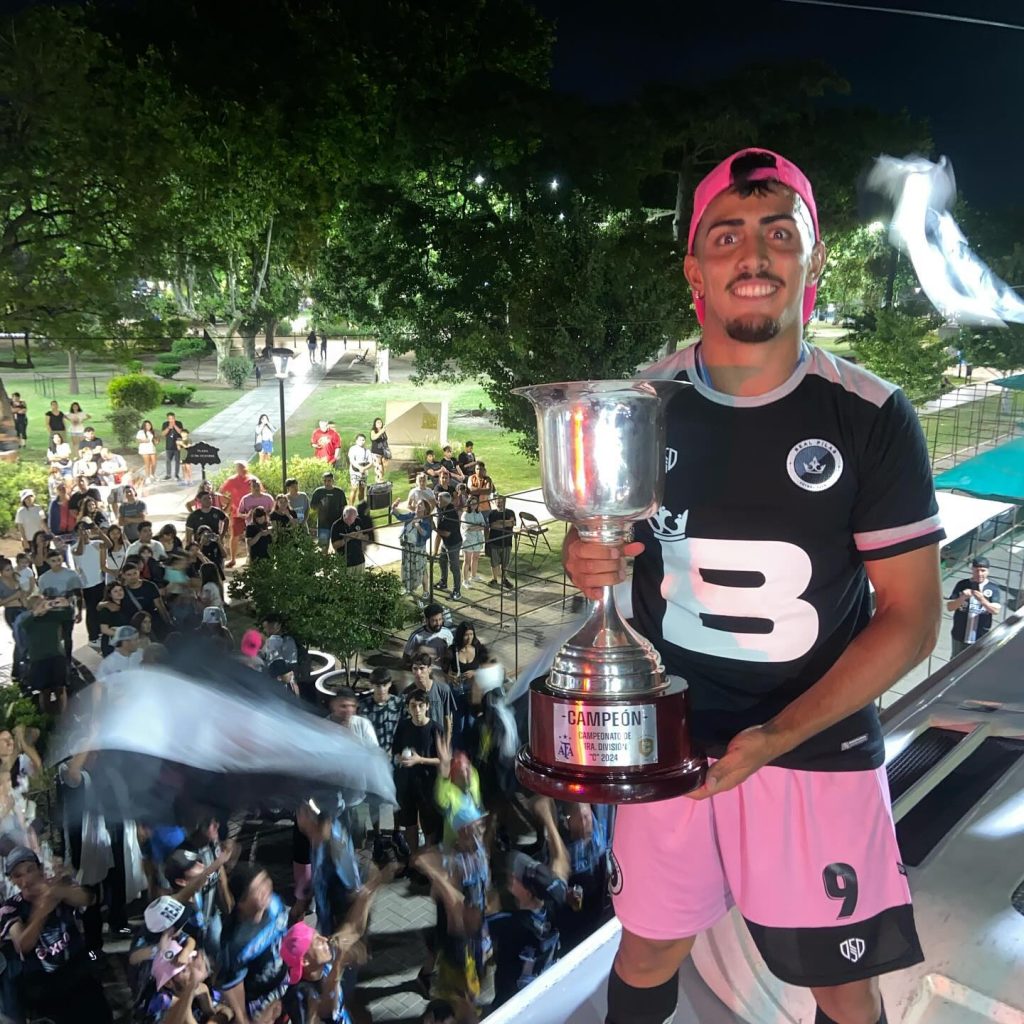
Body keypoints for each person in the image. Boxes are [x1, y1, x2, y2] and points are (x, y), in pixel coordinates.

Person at [561, 148, 945, 1024]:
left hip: (813, 743)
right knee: (649, 946)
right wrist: (585, 557)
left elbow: (912, 618)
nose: (754, 254)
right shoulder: (640, 402)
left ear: (815, 260)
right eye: (727, 235)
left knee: (841, 983)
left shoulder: (872, 414)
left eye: (780, 233)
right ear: (694, 269)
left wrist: (775, 735)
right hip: (668, 739)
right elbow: (603, 547)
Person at [0, 847, 111, 1024]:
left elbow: (89, 899)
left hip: (77, 971)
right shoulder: (11, 907)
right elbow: (22, 944)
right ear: (12, 880)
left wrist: (59, 891)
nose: (26, 879)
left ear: (40, 869)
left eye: (30, 870)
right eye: (18, 875)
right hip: (43, 984)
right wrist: (42, 909)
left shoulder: (58, 889)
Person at [490, 799, 570, 1009]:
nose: (510, 877)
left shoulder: (509, 925)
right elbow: (561, 863)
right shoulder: (555, 900)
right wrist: (548, 820)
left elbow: (467, 923)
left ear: (525, 890)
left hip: (512, 1008)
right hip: (546, 999)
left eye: (513, 876)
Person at [219, 864, 291, 1024]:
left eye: (265, 880)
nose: (266, 889)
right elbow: (232, 984)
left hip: (284, 980)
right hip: (260, 998)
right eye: (257, 889)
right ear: (241, 903)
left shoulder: (275, 904)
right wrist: (243, 1018)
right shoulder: (235, 941)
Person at [392, 690, 444, 856]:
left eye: (421, 705)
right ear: (408, 708)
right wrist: (400, 758)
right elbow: (395, 751)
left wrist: (420, 760)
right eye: (413, 706)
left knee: (429, 825)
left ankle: (427, 860)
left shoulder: (436, 729)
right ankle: (414, 858)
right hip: (406, 783)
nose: (417, 710)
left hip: (428, 784)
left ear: (427, 706)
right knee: (409, 824)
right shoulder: (403, 726)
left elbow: (444, 760)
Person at [946, 555, 1003, 656]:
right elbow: (950, 607)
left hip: (981, 636)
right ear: (972, 570)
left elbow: (995, 611)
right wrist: (962, 598)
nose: (979, 574)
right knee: (956, 660)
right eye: (976, 570)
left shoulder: (993, 588)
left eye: (983, 571)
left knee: (976, 661)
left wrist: (982, 600)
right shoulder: (962, 584)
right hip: (959, 634)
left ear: (988, 571)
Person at [72, 519, 107, 649]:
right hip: (87, 585)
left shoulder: (96, 544)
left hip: (100, 581)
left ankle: (101, 633)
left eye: (85, 529)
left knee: (101, 608)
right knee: (91, 611)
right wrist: (82, 537)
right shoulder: (74, 548)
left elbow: (108, 544)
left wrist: (99, 531)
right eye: (80, 530)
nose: (84, 532)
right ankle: (93, 637)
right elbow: (80, 552)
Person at [409, 653, 457, 746]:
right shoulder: (408, 693)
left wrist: (446, 745)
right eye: (415, 668)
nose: (418, 673)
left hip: (437, 742)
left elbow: (447, 720)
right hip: (416, 743)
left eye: (422, 668)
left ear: (429, 669)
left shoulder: (443, 689)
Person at [357, 667, 403, 756]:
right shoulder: (363, 707)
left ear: (390, 684)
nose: (381, 690)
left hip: (395, 754)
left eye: (384, 685)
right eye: (378, 686)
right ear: (371, 685)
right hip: (370, 755)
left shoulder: (399, 704)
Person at [220, 461, 257, 568]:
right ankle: (233, 559)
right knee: (235, 536)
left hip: (252, 514)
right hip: (237, 513)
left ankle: (251, 557)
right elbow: (220, 493)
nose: (242, 469)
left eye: (244, 467)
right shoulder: (232, 480)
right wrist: (228, 504)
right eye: (240, 467)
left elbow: (260, 492)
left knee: (253, 534)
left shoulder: (253, 479)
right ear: (237, 469)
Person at [394, 497, 433, 597]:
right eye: (417, 504)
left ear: (425, 509)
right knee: (407, 568)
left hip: (418, 548)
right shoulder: (411, 515)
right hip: (407, 546)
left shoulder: (426, 520)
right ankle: (407, 588)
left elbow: (426, 535)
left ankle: (426, 591)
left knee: (421, 569)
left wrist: (418, 527)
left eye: (421, 504)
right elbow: (400, 517)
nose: (418, 506)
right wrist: (394, 508)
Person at [403, 603, 455, 668]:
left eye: (440, 619)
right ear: (427, 620)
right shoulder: (416, 636)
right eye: (434, 620)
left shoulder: (447, 632)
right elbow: (406, 660)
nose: (438, 623)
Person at [434, 492, 463, 600]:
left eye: (439, 499)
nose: (438, 501)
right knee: (442, 561)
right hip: (445, 543)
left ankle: (457, 591)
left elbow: (447, 533)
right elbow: (434, 503)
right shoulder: (443, 508)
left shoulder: (451, 514)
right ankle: (443, 582)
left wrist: (434, 529)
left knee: (454, 567)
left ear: (445, 501)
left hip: (453, 543)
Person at [486, 495, 516, 591]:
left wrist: (500, 522)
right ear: (495, 502)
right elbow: (493, 526)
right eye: (498, 502)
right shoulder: (492, 513)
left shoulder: (510, 512)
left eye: (501, 502)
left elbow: (512, 523)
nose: (500, 504)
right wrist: (506, 523)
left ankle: (504, 579)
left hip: (507, 542)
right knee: (494, 562)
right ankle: (494, 579)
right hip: (494, 542)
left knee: (505, 563)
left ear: (505, 502)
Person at [311, 471, 347, 547]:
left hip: (337, 525)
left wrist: (344, 521)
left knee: (339, 547)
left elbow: (344, 507)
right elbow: (313, 507)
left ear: (333, 481)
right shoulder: (318, 492)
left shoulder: (339, 492)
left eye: (329, 480)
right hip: (323, 525)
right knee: (324, 547)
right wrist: (321, 505)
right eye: (325, 481)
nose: (327, 483)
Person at [330, 506, 367, 570]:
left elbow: (367, 537)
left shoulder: (358, 521)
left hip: (359, 560)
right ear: (344, 515)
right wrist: (346, 539)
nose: (352, 522)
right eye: (349, 519)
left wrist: (360, 536)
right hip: (345, 563)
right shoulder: (336, 525)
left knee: (361, 576)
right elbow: (334, 545)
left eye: (354, 518)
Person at [461, 495, 486, 585]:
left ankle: (473, 576)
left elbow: (483, 525)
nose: (474, 505)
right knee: (467, 560)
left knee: (475, 558)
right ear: (469, 504)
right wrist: (478, 526)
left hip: (478, 539)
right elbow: (468, 528)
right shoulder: (465, 514)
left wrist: (476, 527)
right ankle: (465, 580)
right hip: (468, 540)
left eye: (476, 503)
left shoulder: (479, 513)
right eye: (472, 504)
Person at [347, 433, 372, 505]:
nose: (361, 441)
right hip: (354, 472)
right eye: (360, 440)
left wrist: (364, 468)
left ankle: (361, 506)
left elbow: (371, 462)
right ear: (356, 441)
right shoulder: (353, 449)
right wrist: (359, 468)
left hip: (364, 472)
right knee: (354, 488)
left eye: (363, 440)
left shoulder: (367, 451)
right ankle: (350, 506)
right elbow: (352, 460)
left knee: (362, 490)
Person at [160, 413, 185, 481]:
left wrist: (174, 425)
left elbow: (181, 432)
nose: (171, 420)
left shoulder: (179, 423)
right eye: (169, 419)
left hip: (178, 445)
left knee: (177, 461)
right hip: (169, 445)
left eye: (172, 418)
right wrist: (169, 427)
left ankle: (176, 475)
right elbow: (163, 434)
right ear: (167, 419)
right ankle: (168, 475)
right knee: (168, 461)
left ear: (174, 418)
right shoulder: (165, 424)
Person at [369, 417, 390, 482]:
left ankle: (381, 479)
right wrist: (381, 431)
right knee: (378, 468)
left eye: (380, 422)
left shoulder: (383, 431)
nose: (379, 423)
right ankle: (379, 481)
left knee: (384, 467)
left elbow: (385, 441)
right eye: (378, 422)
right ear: (375, 424)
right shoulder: (373, 431)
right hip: (376, 453)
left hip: (383, 452)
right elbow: (373, 438)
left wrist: (387, 451)